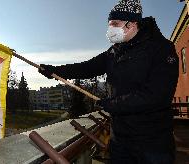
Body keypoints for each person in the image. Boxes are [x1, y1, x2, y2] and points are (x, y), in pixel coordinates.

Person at [38, 0, 179, 163]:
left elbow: (157, 95)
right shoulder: (114, 51)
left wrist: (114, 104)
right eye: (109, 24)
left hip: (152, 142)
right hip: (120, 138)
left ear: (131, 24)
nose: (110, 29)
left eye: (115, 24)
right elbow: (86, 68)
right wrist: (55, 71)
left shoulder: (161, 49)